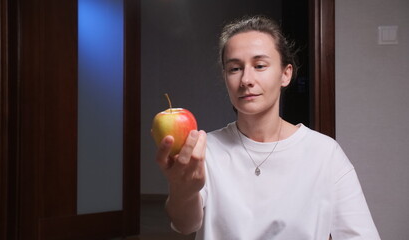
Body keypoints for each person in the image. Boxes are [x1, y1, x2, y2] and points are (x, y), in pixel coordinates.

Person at [155, 15, 381, 240]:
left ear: (285, 74)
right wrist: (182, 189)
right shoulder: (206, 149)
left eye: (260, 65)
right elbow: (185, 225)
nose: (246, 79)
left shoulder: (325, 153)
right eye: (234, 69)